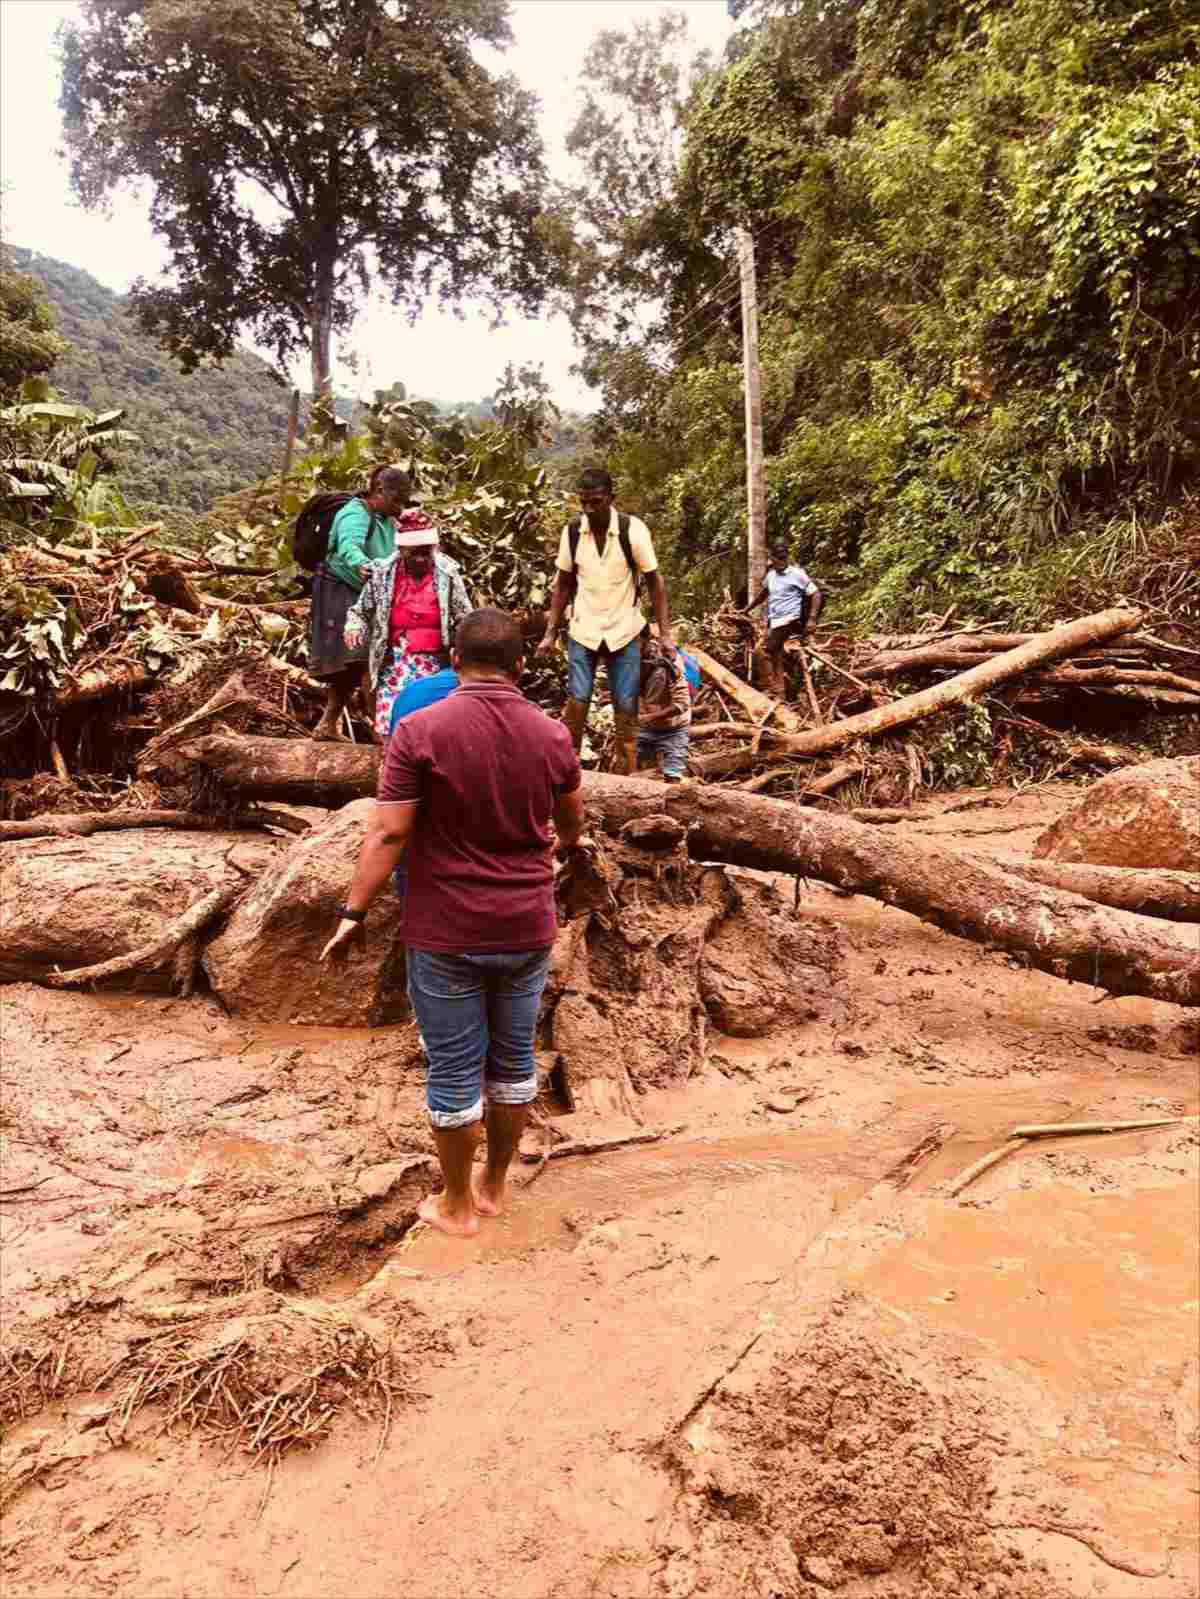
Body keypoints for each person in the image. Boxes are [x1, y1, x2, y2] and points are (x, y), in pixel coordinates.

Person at [321, 608, 586, 1239]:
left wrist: (352, 911)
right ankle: (495, 1184)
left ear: (452, 662)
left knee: (453, 1067)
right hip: (526, 926)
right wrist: (558, 854)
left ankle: (458, 1204)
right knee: (514, 1061)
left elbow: (389, 830)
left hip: (446, 930)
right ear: (522, 666)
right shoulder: (552, 735)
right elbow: (572, 822)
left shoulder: (420, 729)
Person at [536, 466, 674, 775]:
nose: (588, 509)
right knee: (577, 701)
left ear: (611, 498)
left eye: (595, 502)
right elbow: (563, 583)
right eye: (583, 502)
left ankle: (627, 776)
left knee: (626, 706)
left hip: (624, 630)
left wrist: (665, 635)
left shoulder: (632, 530)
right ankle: (567, 774)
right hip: (583, 629)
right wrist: (549, 632)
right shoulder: (573, 532)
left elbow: (655, 582)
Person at [344, 509, 473, 741]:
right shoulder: (383, 574)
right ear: (401, 551)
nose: (422, 559)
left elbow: (466, 618)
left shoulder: (448, 574)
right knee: (393, 726)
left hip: (435, 664)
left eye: (427, 553)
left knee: (432, 727)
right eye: (414, 554)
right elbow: (359, 611)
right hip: (395, 663)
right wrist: (354, 627)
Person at [311, 465, 411, 739]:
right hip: (340, 591)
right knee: (367, 660)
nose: (400, 507)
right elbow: (348, 546)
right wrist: (363, 565)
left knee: (352, 665)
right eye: (397, 500)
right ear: (380, 490)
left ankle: (327, 724)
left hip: (366, 593)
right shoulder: (355, 513)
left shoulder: (386, 520)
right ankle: (383, 732)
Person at [748, 543, 824, 698]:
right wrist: (747, 609)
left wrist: (812, 619)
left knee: (761, 651)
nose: (780, 562)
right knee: (776, 657)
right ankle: (780, 694)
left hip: (790, 621)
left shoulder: (797, 574)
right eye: (777, 559)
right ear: (773, 559)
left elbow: (816, 594)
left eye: (783, 559)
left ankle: (770, 689)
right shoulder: (771, 575)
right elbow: (764, 593)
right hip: (774, 621)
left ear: (786, 558)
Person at [637, 629, 692, 783]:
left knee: (673, 776)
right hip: (642, 728)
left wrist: (650, 717)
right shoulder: (626, 661)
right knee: (629, 771)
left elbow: (682, 703)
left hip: (674, 728)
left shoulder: (670, 662)